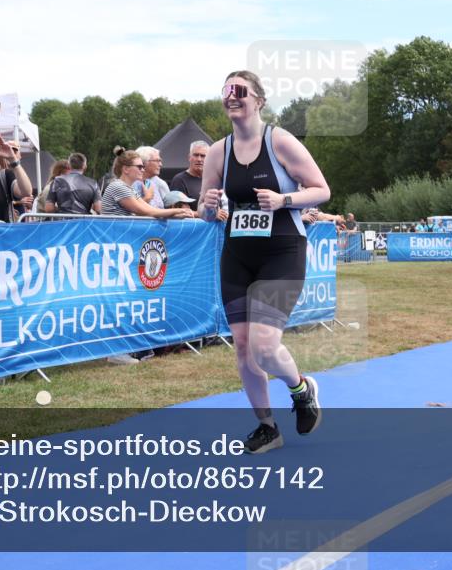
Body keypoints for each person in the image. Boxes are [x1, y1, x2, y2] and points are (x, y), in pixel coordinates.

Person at [198, 70, 330, 454]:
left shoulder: (280, 142)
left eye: (239, 91)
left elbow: (322, 190)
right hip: (237, 255)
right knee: (242, 347)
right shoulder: (218, 151)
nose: (231, 97)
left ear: (258, 99)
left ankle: (302, 390)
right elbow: (205, 211)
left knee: (265, 345)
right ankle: (267, 426)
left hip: (282, 252)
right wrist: (206, 207)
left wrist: (284, 200)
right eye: (225, 91)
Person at [100, 147, 196, 219]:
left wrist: (176, 214)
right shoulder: (119, 187)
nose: (143, 170)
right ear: (126, 169)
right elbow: (146, 211)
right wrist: (178, 210)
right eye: (139, 167)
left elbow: (151, 209)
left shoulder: (128, 188)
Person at [170, 140, 209, 211]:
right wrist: (210, 215)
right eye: (196, 155)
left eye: (203, 156)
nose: (199, 159)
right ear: (189, 157)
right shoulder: (179, 180)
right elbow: (179, 211)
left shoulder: (212, 180)